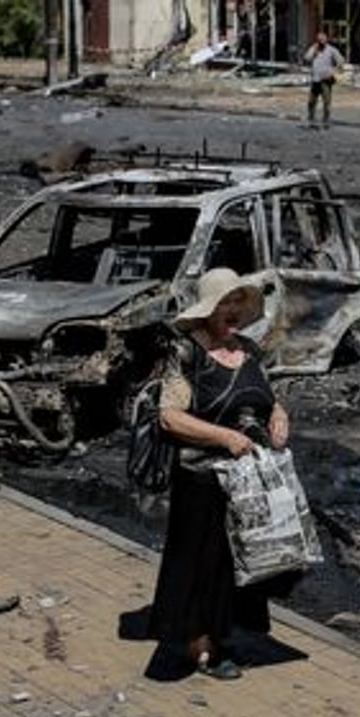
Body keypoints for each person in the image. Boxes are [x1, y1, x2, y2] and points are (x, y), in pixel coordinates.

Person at [148, 267, 294, 681]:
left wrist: (278, 418)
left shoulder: (248, 349)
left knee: (237, 564)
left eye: (237, 303)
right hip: (201, 477)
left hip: (245, 480)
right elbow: (170, 418)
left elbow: (268, 399)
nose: (232, 311)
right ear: (206, 310)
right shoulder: (185, 354)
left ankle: (225, 634)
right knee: (199, 565)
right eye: (224, 304)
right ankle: (199, 646)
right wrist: (224, 438)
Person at [303, 31, 345, 129]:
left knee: (326, 102)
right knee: (311, 101)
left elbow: (341, 61)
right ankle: (311, 119)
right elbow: (306, 59)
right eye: (319, 40)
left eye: (323, 40)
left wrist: (334, 71)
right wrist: (314, 53)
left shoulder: (331, 50)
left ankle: (326, 120)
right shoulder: (313, 48)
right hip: (315, 79)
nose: (321, 42)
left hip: (326, 80)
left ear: (326, 40)